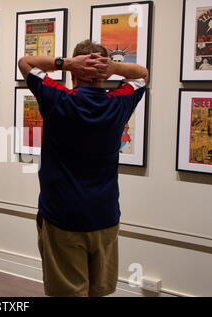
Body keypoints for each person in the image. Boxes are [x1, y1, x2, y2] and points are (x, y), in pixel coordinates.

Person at [18, 39, 148, 297]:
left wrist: (65, 64)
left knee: (68, 292)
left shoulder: (58, 98)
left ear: (74, 72)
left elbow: (25, 63)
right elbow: (142, 75)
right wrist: (112, 67)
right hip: (105, 215)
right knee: (99, 291)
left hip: (62, 217)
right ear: (104, 73)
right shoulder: (118, 103)